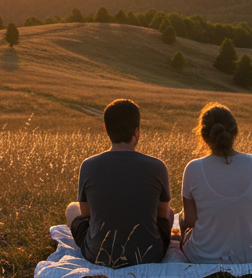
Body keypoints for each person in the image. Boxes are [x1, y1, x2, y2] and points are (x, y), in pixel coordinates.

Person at [65, 98, 173, 268]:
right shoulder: (157, 166)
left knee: (72, 208)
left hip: (99, 255)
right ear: (136, 132)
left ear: (106, 129)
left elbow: (86, 214)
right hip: (149, 255)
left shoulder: (88, 165)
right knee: (170, 212)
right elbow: (162, 214)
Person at [179, 103, 252, 264]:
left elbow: (190, 222)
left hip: (204, 256)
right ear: (235, 132)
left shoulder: (193, 168)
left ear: (203, 134)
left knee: (180, 218)